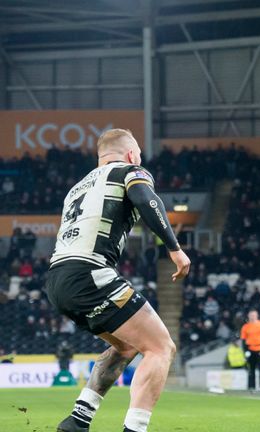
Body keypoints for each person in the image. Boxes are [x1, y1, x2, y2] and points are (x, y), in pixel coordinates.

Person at [48, 129, 190, 432]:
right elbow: (146, 199)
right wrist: (174, 249)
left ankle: (78, 419)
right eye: (137, 153)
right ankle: (135, 429)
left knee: (126, 346)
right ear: (130, 154)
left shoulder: (76, 188)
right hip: (89, 273)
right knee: (161, 347)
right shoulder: (130, 170)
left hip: (57, 279)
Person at [240, 310, 260, 391]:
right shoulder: (245, 327)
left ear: (257, 315)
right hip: (250, 349)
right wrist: (245, 351)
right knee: (251, 369)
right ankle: (251, 387)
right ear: (248, 316)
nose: (252, 317)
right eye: (251, 315)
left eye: (254, 315)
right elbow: (243, 340)